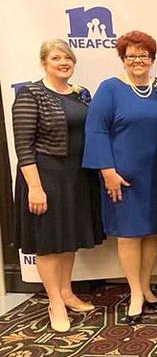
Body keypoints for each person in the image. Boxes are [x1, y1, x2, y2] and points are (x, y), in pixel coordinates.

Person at [12, 39, 104, 333]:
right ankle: (54, 302)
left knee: (68, 238)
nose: (64, 62)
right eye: (56, 58)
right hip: (45, 175)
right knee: (49, 242)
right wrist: (35, 188)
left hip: (76, 175)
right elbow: (24, 146)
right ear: (44, 63)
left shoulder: (79, 96)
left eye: (68, 58)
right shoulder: (30, 94)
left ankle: (66, 292)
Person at [83, 31, 157, 325]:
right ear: (122, 59)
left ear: (153, 59)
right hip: (122, 177)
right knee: (130, 235)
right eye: (131, 55)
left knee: (152, 233)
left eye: (144, 55)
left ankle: (146, 286)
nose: (138, 60)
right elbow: (96, 131)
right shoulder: (109, 89)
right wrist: (107, 171)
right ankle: (134, 293)